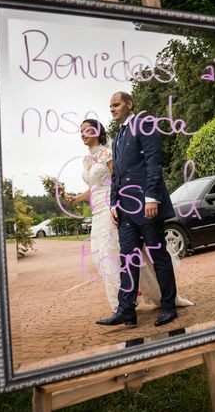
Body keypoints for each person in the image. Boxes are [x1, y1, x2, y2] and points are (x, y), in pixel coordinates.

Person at [67, 118, 192, 314]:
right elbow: (94, 188)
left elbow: (116, 179)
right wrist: (75, 198)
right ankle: (124, 306)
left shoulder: (107, 152)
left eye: (86, 130)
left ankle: (136, 302)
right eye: (80, 131)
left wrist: (118, 204)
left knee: (122, 254)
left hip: (114, 208)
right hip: (98, 211)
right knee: (106, 254)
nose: (82, 134)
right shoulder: (87, 159)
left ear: (97, 131)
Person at [97, 92, 180, 328]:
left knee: (158, 257)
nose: (112, 109)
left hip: (146, 206)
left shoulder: (144, 124)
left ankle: (168, 307)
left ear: (129, 104)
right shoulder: (119, 136)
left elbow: (154, 162)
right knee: (128, 259)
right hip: (125, 210)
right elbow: (118, 175)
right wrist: (114, 203)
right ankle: (126, 310)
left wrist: (152, 197)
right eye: (110, 106)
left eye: (116, 104)